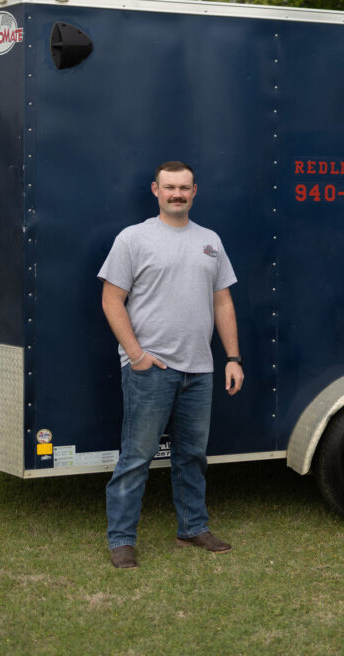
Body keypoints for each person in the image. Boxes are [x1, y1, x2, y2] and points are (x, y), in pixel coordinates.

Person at [98, 160, 245, 569]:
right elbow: (112, 300)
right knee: (137, 456)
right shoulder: (134, 239)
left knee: (192, 455)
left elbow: (222, 302)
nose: (177, 194)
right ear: (155, 190)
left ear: (194, 191)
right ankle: (122, 540)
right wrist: (138, 355)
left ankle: (193, 528)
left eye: (184, 187)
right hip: (151, 370)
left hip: (200, 369)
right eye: (169, 187)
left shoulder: (210, 241)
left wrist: (232, 358)